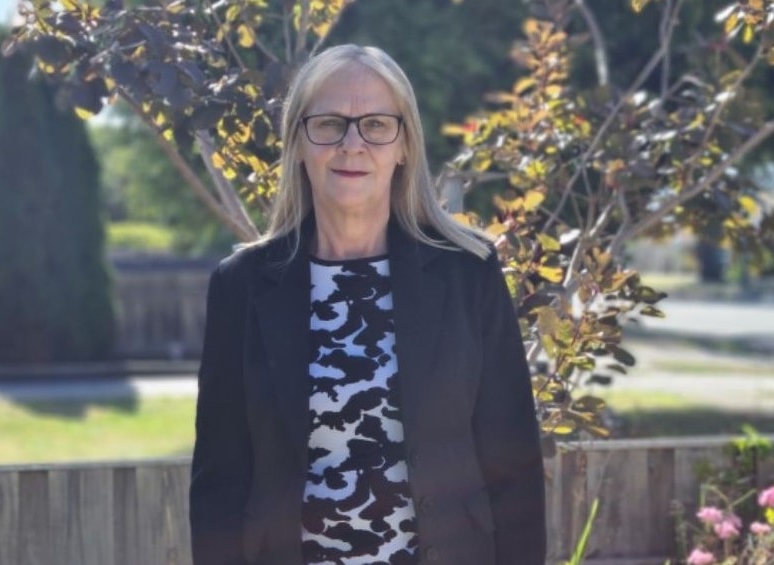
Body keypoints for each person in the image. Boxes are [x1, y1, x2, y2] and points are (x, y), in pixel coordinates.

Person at [189, 44, 546, 565]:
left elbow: (513, 465)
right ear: (298, 143)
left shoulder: (468, 274)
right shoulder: (241, 286)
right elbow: (219, 480)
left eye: (377, 125)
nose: (353, 144)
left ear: (404, 145)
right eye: (330, 124)